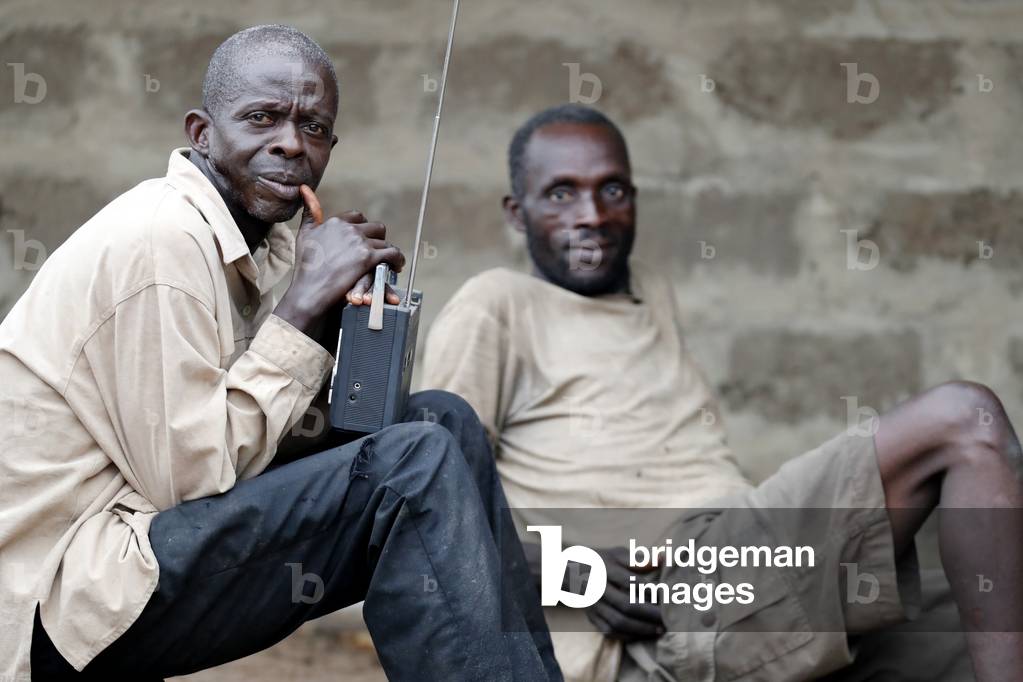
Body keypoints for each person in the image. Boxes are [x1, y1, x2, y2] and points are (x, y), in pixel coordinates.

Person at [0, 25, 561, 681]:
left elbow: (275, 435)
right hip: (66, 597)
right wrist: (301, 308)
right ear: (202, 133)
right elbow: (188, 481)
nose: (291, 143)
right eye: (261, 118)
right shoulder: (163, 238)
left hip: (141, 549)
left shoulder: (272, 245)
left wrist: (340, 325)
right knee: (414, 462)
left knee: (440, 421)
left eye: (313, 127)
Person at [422, 103, 1023, 682]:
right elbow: (428, 512)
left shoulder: (648, 291)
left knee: (982, 599)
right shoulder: (493, 305)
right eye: (561, 193)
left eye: (613, 190)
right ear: (516, 213)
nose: (593, 215)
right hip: (670, 606)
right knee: (967, 421)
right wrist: (557, 566)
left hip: (743, 579)